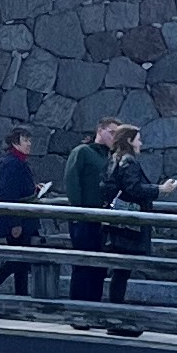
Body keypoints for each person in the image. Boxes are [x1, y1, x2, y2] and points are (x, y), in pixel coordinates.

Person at [100, 122, 177, 317]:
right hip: (129, 225)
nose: (141, 143)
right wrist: (160, 189)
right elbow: (134, 188)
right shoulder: (129, 162)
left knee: (120, 271)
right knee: (122, 271)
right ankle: (116, 315)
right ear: (129, 140)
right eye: (138, 139)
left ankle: (115, 312)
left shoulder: (115, 159)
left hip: (119, 223)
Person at [61, 118, 116, 306]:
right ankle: (78, 309)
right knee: (83, 265)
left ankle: (94, 307)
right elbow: (72, 182)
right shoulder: (82, 152)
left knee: (99, 268)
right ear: (100, 130)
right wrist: (78, 213)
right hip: (84, 219)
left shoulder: (110, 157)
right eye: (112, 132)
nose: (114, 137)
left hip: (104, 219)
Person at [0, 125, 42, 296]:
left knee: (20, 261)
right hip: (19, 219)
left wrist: (34, 189)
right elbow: (8, 194)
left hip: (23, 218)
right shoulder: (12, 164)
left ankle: (17, 294)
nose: (29, 143)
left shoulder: (17, 162)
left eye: (29, 140)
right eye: (25, 140)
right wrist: (15, 222)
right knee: (18, 259)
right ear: (15, 142)